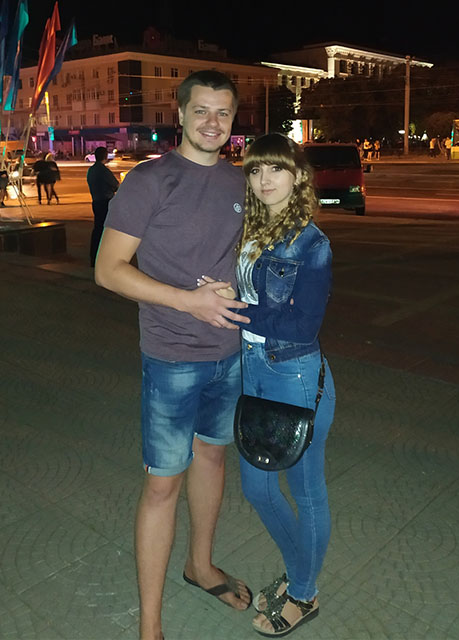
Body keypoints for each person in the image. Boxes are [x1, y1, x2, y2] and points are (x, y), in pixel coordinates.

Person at [95, 70, 253, 640]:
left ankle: (200, 565)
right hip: (171, 358)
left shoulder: (240, 181)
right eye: (201, 110)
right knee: (163, 484)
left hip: (230, 353)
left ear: (233, 121)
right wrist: (190, 301)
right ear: (180, 114)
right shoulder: (149, 180)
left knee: (212, 459)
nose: (213, 122)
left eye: (223, 113)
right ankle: (150, 625)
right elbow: (108, 270)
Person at [205, 133, 336, 637]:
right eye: (256, 170)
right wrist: (220, 292)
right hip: (255, 369)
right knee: (257, 488)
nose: (264, 180)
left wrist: (235, 310)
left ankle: (303, 593)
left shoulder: (311, 243)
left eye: (276, 169)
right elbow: (251, 291)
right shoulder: (254, 228)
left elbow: (302, 325)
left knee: (306, 491)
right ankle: (301, 571)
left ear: (297, 176)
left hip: (295, 373)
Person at [87, 146, 119, 267]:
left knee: (97, 229)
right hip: (106, 202)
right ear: (105, 156)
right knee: (107, 230)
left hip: (96, 201)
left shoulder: (91, 170)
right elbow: (116, 185)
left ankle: (94, 257)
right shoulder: (104, 171)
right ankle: (106, 257)